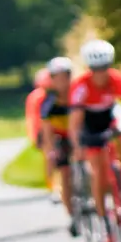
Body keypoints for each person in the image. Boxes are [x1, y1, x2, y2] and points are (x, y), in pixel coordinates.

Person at [68, 40, 121, 242]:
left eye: (104, 68)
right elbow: (75, 120)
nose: (100, 74)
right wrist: (77, 143)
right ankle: (105, 223)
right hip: (90, 123)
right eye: (96, 69)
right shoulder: (81, 86)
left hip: (110, 115)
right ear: (89, 68)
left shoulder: (117, 80)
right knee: (99, 174)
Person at [38, 56, 75, 231]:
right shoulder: (49, 102)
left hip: (79, 134)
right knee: (65, 173)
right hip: (61, 138)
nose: (62, 81)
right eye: (57, 77)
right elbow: (47, 130)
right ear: (52, 80)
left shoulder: (78, 94)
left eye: (65, 76)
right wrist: (50, 150)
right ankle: (72, 216)